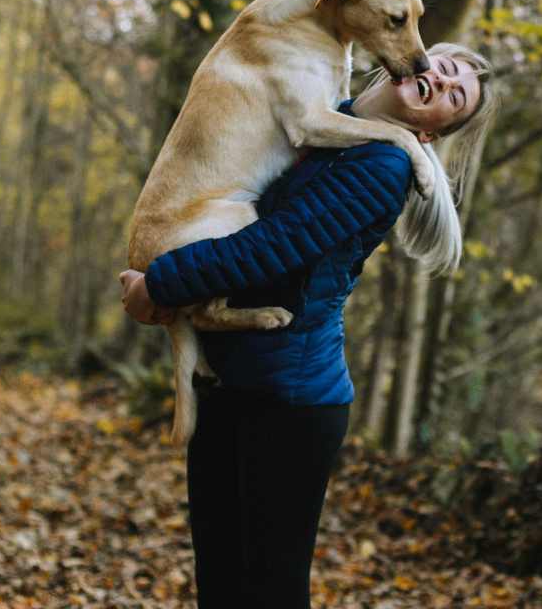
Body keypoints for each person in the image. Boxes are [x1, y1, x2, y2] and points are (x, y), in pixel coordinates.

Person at [118, 42, 497, 608]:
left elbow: (275, 246)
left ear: (431, 135)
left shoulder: (384, 166)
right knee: (222, 587)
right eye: (442, 69)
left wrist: (162, 285)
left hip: (290, 405)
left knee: (268, 592)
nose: (441, 82)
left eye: (454, 96)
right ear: (410, 61)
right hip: (228, 384)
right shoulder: (322, 122)